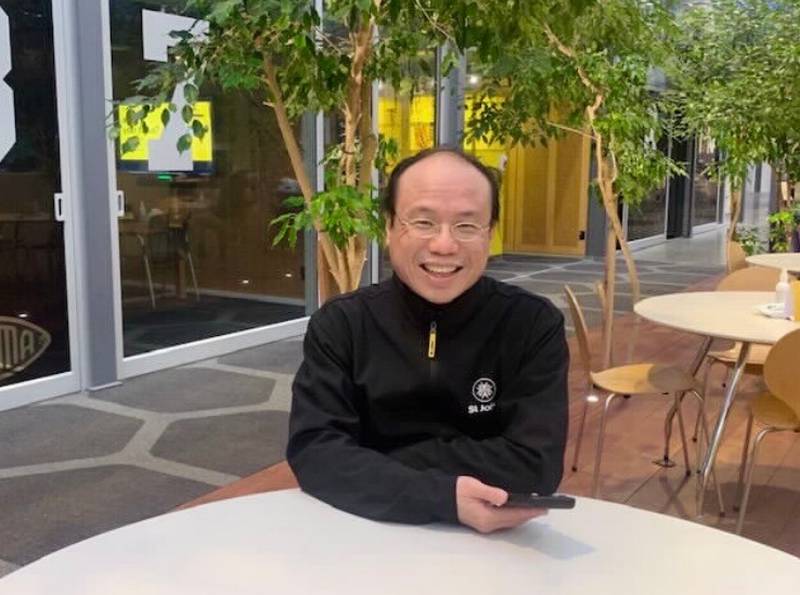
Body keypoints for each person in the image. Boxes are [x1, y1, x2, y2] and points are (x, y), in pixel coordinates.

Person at [286, 147, 569, 534]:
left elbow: (536, 463)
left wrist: (373, 463)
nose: (444, 245)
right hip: (362, 534)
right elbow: (315, 452)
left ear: (490, 232)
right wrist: (443, 497)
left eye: (467, 226)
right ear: (388, 227)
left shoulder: (532, 325)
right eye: (423, 222)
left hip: (496, 548)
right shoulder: (342, 325)